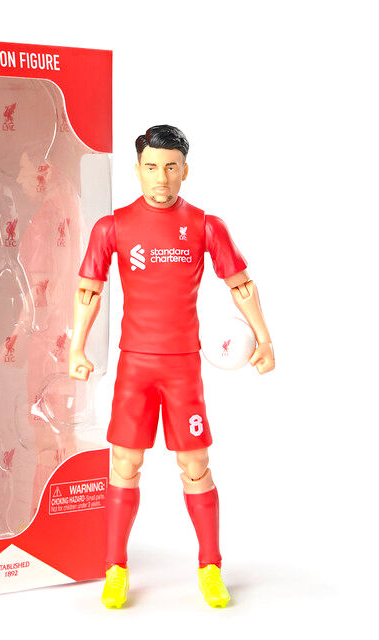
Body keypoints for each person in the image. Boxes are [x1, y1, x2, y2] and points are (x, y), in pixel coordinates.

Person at [69, 125, 274, 609]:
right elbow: (88, 289)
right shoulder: (113, 227)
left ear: (185, 171)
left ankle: (210, 567)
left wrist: (264, 339)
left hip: (183, 368)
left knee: (195, 465)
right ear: (137, 170)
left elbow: (240, 284)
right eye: (151, 167)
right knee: (124, 463)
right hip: (135, 366)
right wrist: (77, 348)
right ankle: (115, 569)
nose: (160, 178)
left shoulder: (205, 226)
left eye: (170, 167)